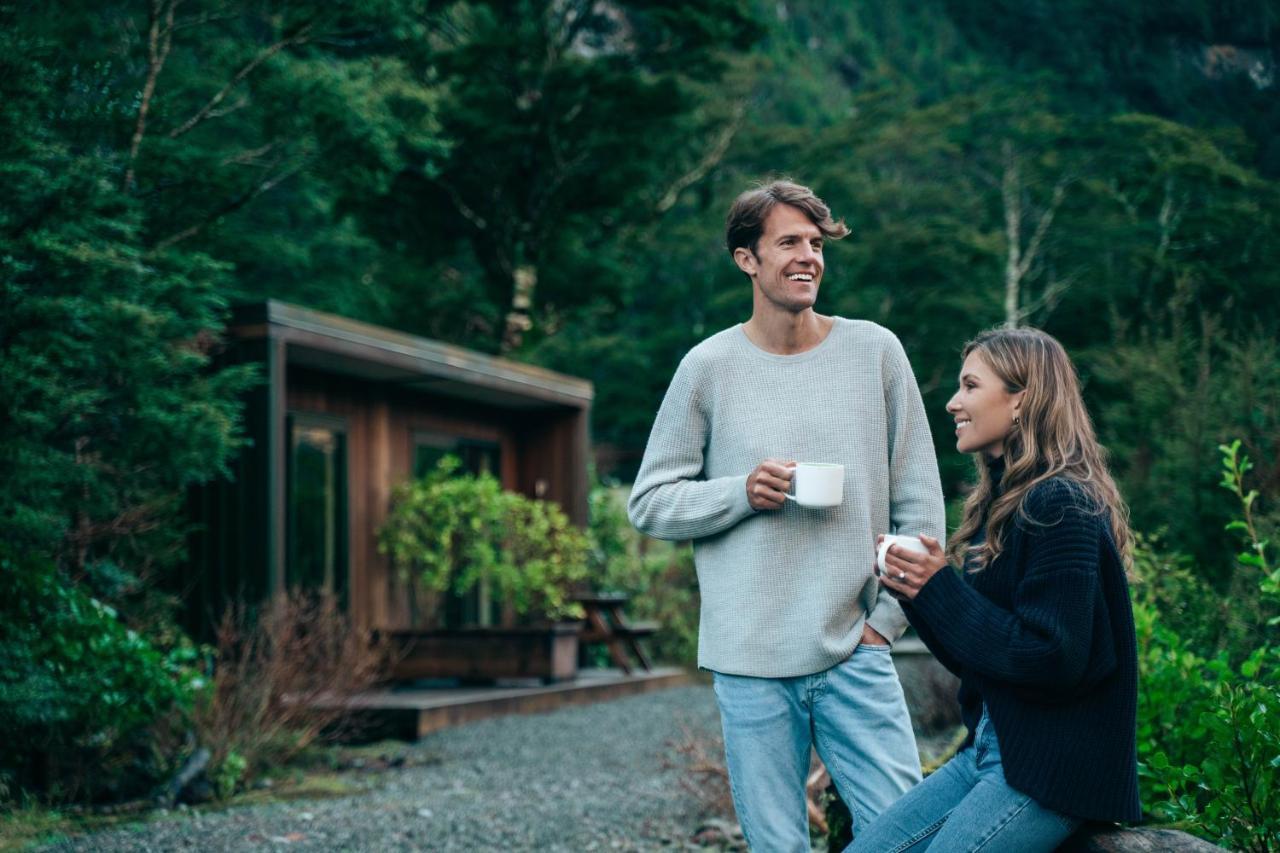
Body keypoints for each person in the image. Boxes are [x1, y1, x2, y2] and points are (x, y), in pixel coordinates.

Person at [628, 179, 945, 851]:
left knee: (911, 836)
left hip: (853, 648)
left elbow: (921, 508)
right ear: (747, 257)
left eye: (816, 243)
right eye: (789, 242)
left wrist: (885, 624)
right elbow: (650, 501)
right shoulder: (707, 366)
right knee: (778, 846)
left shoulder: (875, 352)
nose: (809, 257)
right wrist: (742, 491)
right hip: (749, 659)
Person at [851, 327, 1141, 853]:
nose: (952, 402)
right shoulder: (1003, 504)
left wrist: (941, 589)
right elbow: (983, 655)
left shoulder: (1061, 505)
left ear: (1020, 399)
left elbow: (1053, 657)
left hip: (1050, 770)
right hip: (990, 750)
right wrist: (919, 593)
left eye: (970, 386)